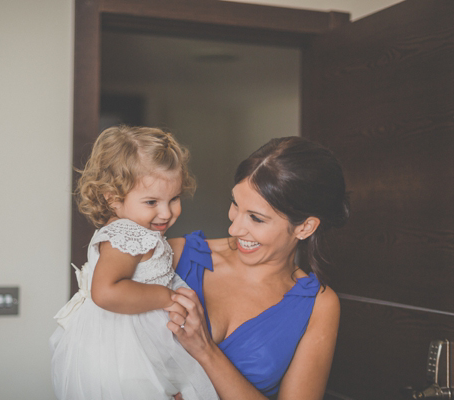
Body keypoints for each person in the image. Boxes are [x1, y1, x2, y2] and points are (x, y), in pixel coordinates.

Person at [165, 136, 349, 400]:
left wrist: (205, 351)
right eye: (235, 205)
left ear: (305, 227)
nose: (234, 228)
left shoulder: (319, 305)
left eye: (256, 218)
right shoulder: (176, 256)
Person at [49, 126, 218, 400]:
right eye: (152, 201)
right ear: (113, 198)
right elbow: (105, 292)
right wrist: (166, 296)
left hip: (135, 340)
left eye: (174, 198)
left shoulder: (133, 230)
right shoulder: (128, 234)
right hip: (126, 348)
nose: (166, 212)